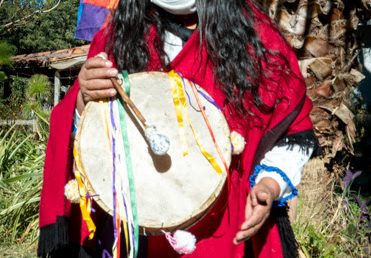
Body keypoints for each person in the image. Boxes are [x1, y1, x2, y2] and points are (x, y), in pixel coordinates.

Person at [38, 0, 319, 257]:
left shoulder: (255, 36)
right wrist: (84, 99)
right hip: (133, 234)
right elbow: (82, 127)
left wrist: (269, 184)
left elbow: (291, 130)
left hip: (224, 232)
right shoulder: (120, 35)